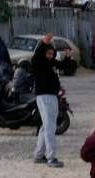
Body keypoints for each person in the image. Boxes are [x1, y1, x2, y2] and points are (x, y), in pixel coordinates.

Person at [32, 38, 64, 168]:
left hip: (51, 96)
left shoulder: (51, 64)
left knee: (46, 127)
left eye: (52, 54)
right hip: (45, 97)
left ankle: (38, 155)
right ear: (43, 53)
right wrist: (44, 42)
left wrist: (67, 58)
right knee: (50, 128)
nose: (50, 56)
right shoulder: (38, 62)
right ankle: (51, 158)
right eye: (48, 53)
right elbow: (37, 56)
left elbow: (66, 66)